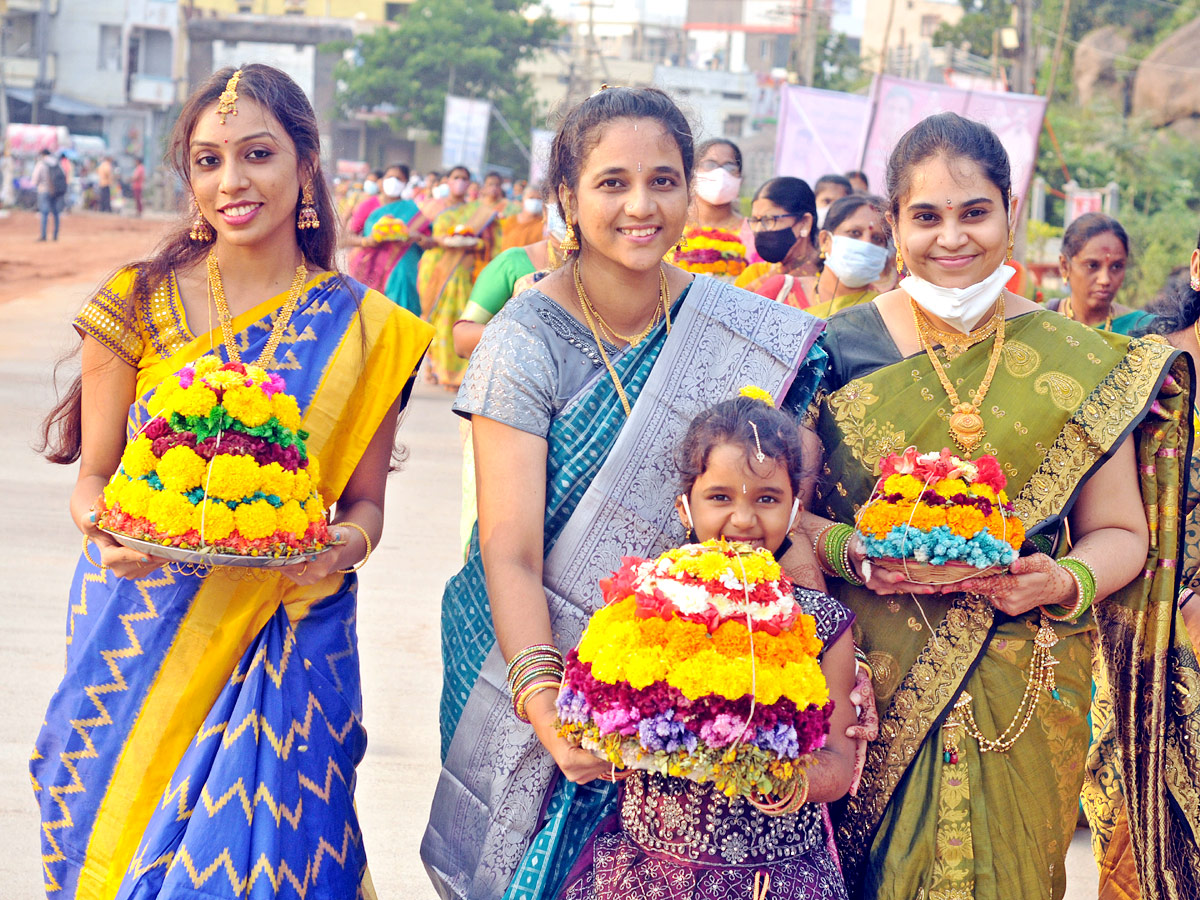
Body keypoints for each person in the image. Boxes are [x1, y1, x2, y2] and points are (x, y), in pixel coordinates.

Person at [423, 86, 851, 900]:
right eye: (612, 183)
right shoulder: (525, 341)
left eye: (663, 180)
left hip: (706, 685)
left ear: (691, 190)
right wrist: (547, 706)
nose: (640, 205)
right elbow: (507, 550)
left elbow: (779, 516)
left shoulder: (743, 330)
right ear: (568, 200)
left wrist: (824, 678)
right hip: (536, 662)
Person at [31, 64, 433, 898]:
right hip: (134, 624)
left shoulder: (366, 331)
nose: (231, 181)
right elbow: (94, 477)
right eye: (208, 161)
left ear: (305, 166)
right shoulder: (135, 303)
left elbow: (363, 507)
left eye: (257, 153)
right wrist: (101, 527)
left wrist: (340, 548)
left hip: (286, 624)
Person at [803, 111, 1197, 898]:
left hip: (1029, 679)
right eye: (927, 217)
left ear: (1011, 214)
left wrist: (1061, 581)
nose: (952, 238)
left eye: (974, 212)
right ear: (893, 225)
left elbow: (1121, 531)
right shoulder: (834, 349)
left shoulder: (1085, 361)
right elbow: (785, 516)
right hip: (871, 685)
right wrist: (854, 551)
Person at [558, 393, 858, 900]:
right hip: (648, 874)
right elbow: (590, 724)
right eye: (720, 497)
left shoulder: (822, 623)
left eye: (766, 498)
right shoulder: (643, 603)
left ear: (795, 511)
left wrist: (780, 778)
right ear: (684, 507)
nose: (743, 520)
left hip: (776, 878)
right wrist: (625, 741)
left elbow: (838, 762)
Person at [419, 170, 517, 389]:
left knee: (459, 319)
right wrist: (440, 240)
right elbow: (420, 238)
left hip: (466, 271)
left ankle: (456, 374)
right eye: (455, 178)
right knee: (436, 318)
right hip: (436, 270)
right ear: (447, 181)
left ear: (470, 184)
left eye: (464, 179)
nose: (459, 183)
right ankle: (434, 368)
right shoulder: (433, 207)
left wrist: (474, 243)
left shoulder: (479, 211)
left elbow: (492, 243)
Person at [348, 163, 431, 316]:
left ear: (406, 183)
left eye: (399, 178)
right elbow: (346, 238)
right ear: (382, 180)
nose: (393, 181)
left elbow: (428, 242)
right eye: (390, 177)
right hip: (370, 270)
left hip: (403, 272)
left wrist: (417, 237)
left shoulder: (412, 209)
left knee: (400, 320)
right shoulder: (369, 205)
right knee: (368, 318)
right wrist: (367, 241)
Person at [1049, 212, 1150, 334]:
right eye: (1092, 265)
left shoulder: (1143, 328)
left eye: (1116, 266)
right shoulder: (1035, 322)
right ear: (1065, 266)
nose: (1105, 280)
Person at [670, 138, 748, 281]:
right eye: (710, 164)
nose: (720, 173)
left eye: (730, 167)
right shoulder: (673, 225)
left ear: (740, 179)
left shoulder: (751, 232)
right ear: (692, 174)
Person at [735, 177, 821, 308]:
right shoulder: (753, 274)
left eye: (768, 220)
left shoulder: (825, 278)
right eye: (755, 221)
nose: (759, 230)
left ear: (805, 222)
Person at [807, 194, 889, 318]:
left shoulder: (884, 312)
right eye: (855, 233)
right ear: (825, 240)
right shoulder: (784, 289)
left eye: (877, 238)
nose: (866, 244)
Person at [498, 182, 547, 252]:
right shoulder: (511, 220)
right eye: (531, 198)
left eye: (539, 199)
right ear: (523, 199)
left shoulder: (544, 224)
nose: (535, 201)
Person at [33, 148, 65, 241]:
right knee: (56, 213)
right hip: (55, 191)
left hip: (44, 190)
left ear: (42, 154)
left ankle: (44, 235)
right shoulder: (56, 163)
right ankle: (55, 235)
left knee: (44, 213)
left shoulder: (41, 164)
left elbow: (35, 179)